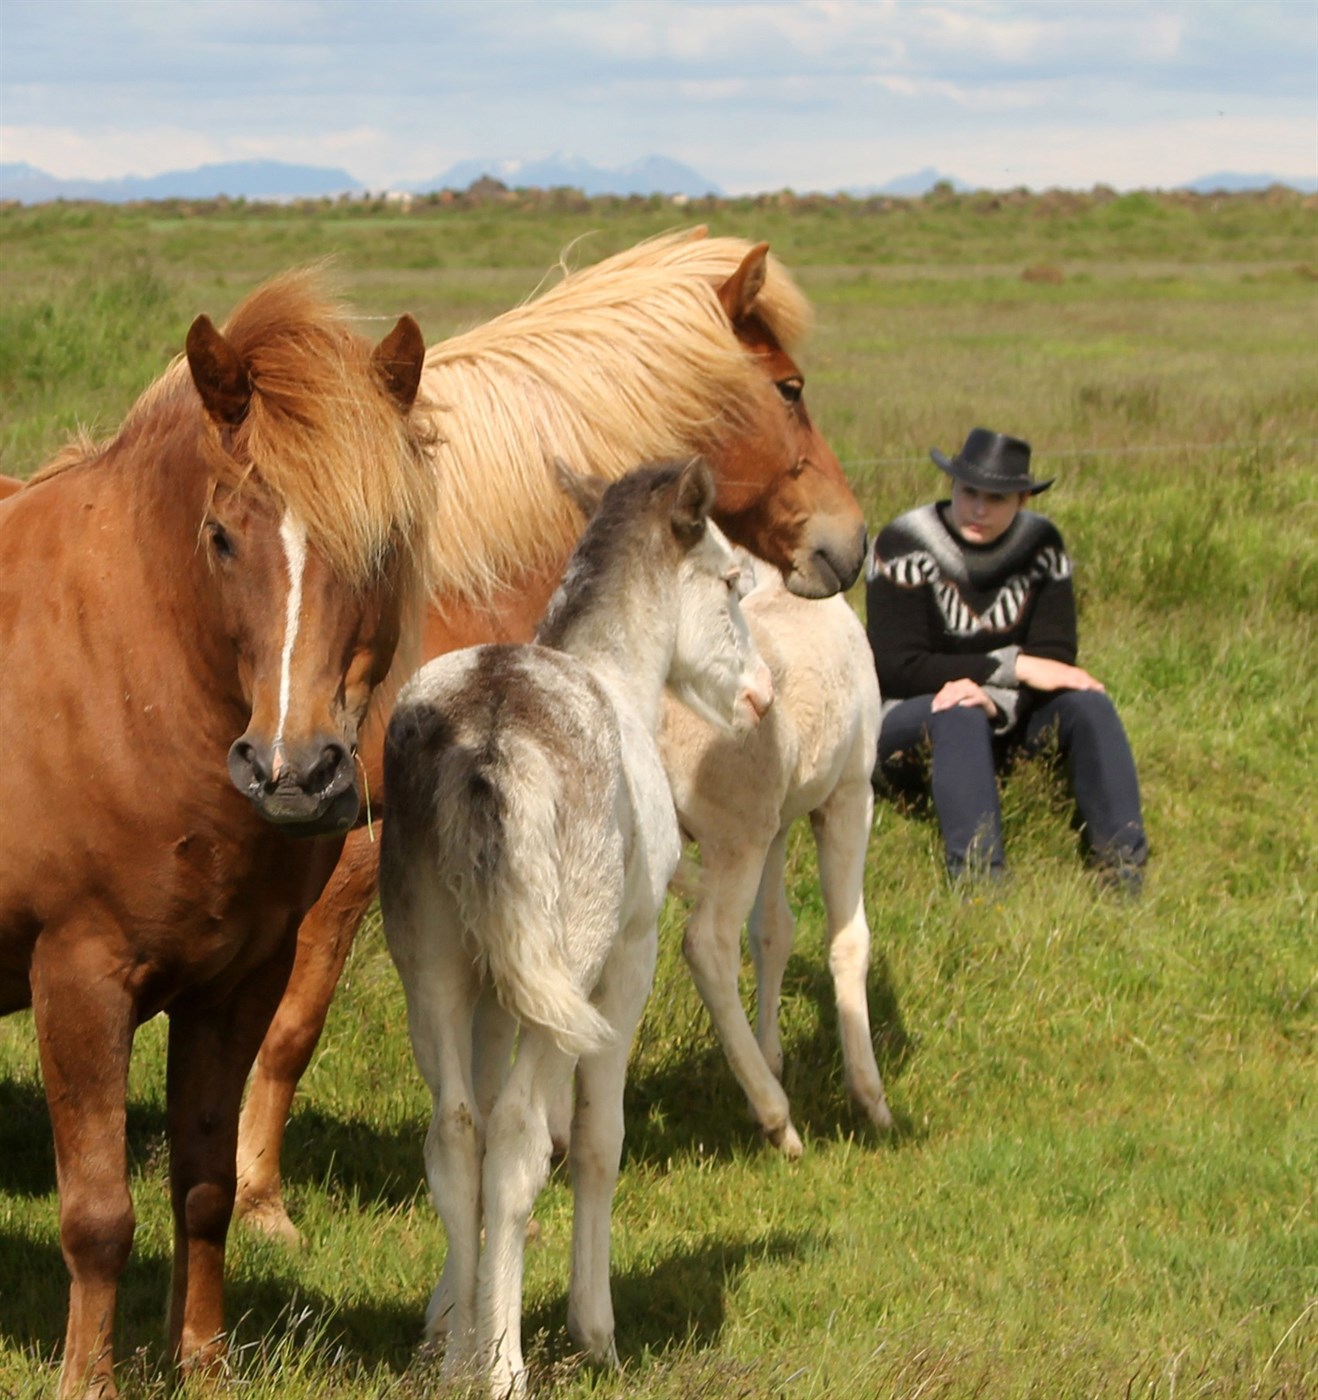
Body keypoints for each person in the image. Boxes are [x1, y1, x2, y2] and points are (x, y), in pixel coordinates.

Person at [866, 427, 1147, 892]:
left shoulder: (1042, 546)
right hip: (903, 722)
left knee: (1088, 703)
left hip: (1003, 719)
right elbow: (896, 666)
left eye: (996, 498)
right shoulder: (903, 544)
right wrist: (1006, 669)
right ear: (952, 485)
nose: (978, 508)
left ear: (1022, 500)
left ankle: (1123, 873)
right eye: (968, 491)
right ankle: (981, 886)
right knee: (958, 710)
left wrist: (994, 697)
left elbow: (1055, 660)